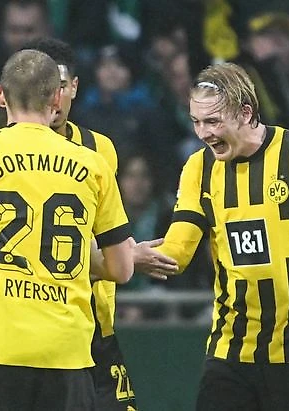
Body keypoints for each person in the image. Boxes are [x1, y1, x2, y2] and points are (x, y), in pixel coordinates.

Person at [0, 48, 134, 410]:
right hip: (69, 351)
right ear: (56, 97)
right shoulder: (93, 164)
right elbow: (121, 269)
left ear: (0, 95)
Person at [147, 62, 289, 410]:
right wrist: (123, 255)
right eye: (196, 121)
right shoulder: (199, 168)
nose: (203, 133)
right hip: (230, 351)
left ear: (245, 113)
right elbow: (178, 251)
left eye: (213, 121)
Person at [21, 36, 178, 411]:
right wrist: (125, 258)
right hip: (31, 326)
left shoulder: (100, 148)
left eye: (60, 85)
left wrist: (126, 253)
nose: (52, 97)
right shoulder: (3, 150)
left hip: (95, 322)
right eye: (42, 85)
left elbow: (104, 229)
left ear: (75, 87)